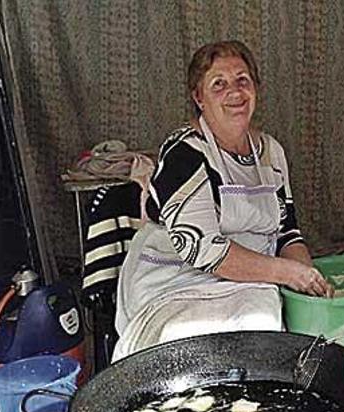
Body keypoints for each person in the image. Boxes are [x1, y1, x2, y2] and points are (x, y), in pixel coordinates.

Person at [113, 40, 332, 361]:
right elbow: (201, 249)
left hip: (252, 281)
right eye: (219, 84)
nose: (235, 92)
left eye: (243, 80)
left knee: (263, 334)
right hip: (177, 283)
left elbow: (288, 233)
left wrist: (309, 284)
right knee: (190, 350)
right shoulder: (184, 152)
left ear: (256, 88)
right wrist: (288, 274)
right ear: (198, 97)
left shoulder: (271, 152)